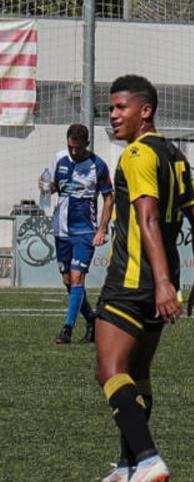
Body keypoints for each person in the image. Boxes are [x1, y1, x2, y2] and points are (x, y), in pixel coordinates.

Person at [95, 74, 194, 482]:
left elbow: (146, 218)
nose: (113, 115)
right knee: (138, 375)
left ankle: (146, 458)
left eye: (120, 107)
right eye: (111, 108)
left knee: (109, 371)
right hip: (165, 284)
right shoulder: (175, 155)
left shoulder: (138, 153)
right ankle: (129, 464)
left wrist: (162, 282)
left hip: (132, 282)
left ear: (146, 111)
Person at [43, 123, 113, 344]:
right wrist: (45, 186)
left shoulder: (98, 165)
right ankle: (91, 320)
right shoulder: (59, 159)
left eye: (79, 149)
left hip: (85, 231)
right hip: (61, 230)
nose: (74, 152)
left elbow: (109, 197)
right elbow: (53, 185)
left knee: (77, 277)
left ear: (87, 145)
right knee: (67, 280)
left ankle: (67, 329)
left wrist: (102, 229)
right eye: (71, 147)